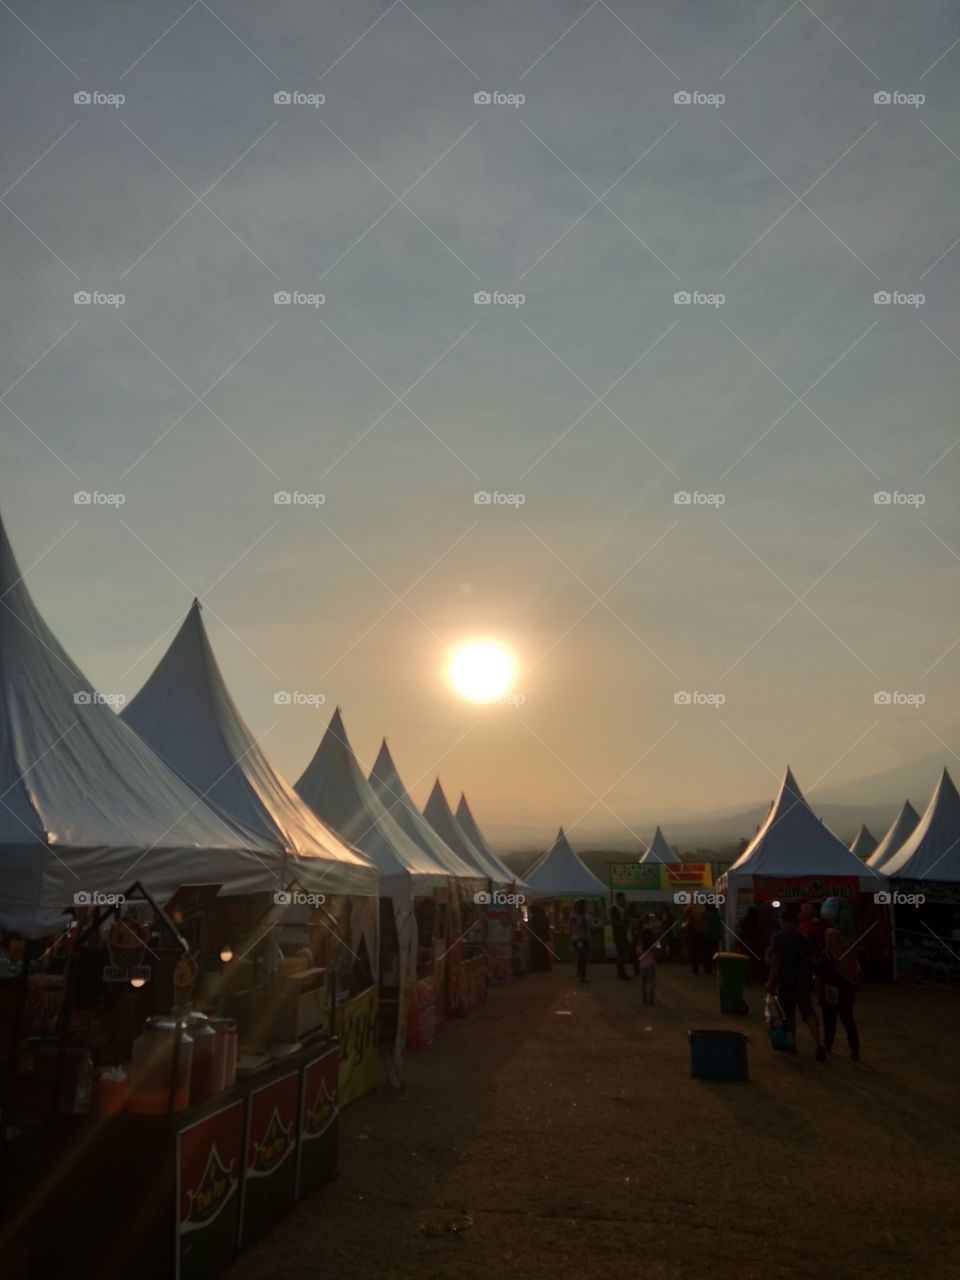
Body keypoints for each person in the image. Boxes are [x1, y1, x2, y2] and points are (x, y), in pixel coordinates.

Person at [766, 904, 826, 1060]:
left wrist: (770, 982)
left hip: (786, 981)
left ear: (785, 922)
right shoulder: (804, 938)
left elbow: (776, 962)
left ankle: (792, 1044)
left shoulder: (778, 937)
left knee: (789, 1014)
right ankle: (818, 1043)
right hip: (803, 980)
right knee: (808, 1012)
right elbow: (813, 960)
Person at [817, 900, 861, 1060]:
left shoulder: (826, 955)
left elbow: (821, 976)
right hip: (846, 989)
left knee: (830, 1020)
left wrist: (820, 991)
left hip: (831, 990)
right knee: (847, 1019)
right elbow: (854, 972)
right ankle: (854, 1048)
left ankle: (828, 1045)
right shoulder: (846, 955)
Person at [569, 899, 594, 982]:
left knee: (584, 957)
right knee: (582, 955)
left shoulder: (587, 916)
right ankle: (580, 974)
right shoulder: (574, 916)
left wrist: (602, 923)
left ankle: (581, 974)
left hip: (585, 938)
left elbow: (592, 926)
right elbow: (571, 926)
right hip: (577, 939)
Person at [609, 892, 632, 980]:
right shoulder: (614, 909)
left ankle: (621, 973)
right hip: (618, 934)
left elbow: (625, 919)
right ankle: (621, 973)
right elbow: (614, 921)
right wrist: (625, 925)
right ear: (618, 899)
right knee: (622, 953)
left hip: (622, 934)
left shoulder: (621, 909)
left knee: (622, 953)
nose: (623, 901)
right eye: (622, 899)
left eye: (624, 899)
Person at [636, 926, 658, 1005]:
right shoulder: (653, 945)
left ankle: (644, 994)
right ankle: (651, 997)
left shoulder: (640, 946)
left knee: (644, 982)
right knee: (652, 982)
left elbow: (638, 953)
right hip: (651, 965)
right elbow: (656, 954)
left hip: (642, 967)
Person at [627, 903, 643, 976]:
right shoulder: (635, 915)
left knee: (635, 954)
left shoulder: (628, 915)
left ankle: (637, 969)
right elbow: (639, 924)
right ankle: (637, 970)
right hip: (635, 936)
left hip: (633, 936)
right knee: (637, 954)